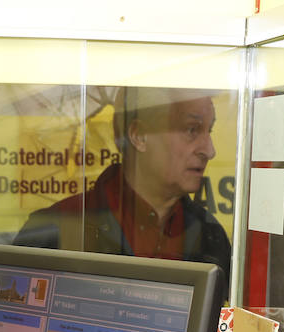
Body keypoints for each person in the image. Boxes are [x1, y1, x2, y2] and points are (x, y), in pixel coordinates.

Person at [13, 87, 231, 277]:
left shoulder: (212, 238)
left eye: (209, 131)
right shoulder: (51, 232)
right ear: (139, 135)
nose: (209, 151)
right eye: (192, 129)